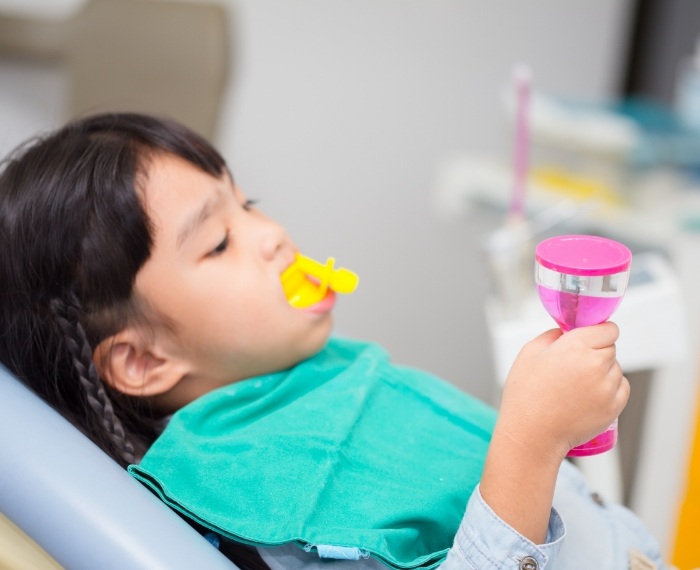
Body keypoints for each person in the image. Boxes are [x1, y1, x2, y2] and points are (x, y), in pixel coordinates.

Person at [0, 112, 667, 570]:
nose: (273, 235)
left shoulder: (312, 380)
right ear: (143, 359)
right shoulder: (271, 497)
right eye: (220, 242)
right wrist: (532, 440)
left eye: (248, 201)